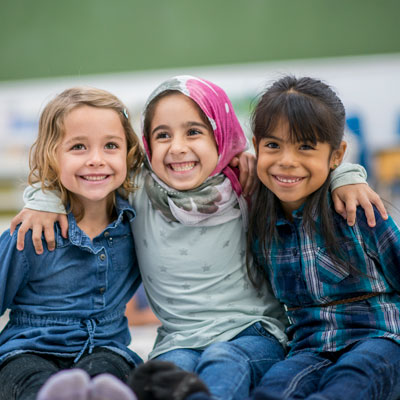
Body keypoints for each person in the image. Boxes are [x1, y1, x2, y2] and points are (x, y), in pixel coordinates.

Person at [10, 76, 386, 400]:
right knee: (166, 374)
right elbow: (88, 179)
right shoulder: (139, 193)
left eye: (194, 131)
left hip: (252, 333)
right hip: (177, 340)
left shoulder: (247, 185)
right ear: (146, 147)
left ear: (221, 136)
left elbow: (303, 171)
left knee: (224, 360)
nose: (178, 147)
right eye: (162, 135)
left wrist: (346, 175)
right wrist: (42, 197)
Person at [245, 76, 400, 399]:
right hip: (310, 348)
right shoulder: (260, 221)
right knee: (272, 390)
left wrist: (349, 177)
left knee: (349, 382)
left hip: (380, 340)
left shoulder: (359, 211)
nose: (287, 160)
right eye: (273, 145)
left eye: (305, 146)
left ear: (336, 154)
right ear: (256, 145)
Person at [0, 87, 144, 400]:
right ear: (52, 156)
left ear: (128, 153)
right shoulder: (31, 230)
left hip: (106, 348)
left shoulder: (139, 224)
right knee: (27, 378)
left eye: (110, 146)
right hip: (28, 349)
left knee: (109, 372)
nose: (96, 160)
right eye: (78, 146)